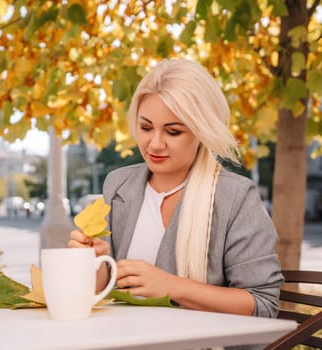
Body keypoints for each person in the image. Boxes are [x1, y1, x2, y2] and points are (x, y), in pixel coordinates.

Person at [69, 58, 283, 320]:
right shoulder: (118, 184)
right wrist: (89, 261)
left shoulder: (234, 197)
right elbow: (104, 289)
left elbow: (262, 304)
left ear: (202, 130)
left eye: (173, 132)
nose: (155, 144)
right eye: (146, 127)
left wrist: (172, 287)